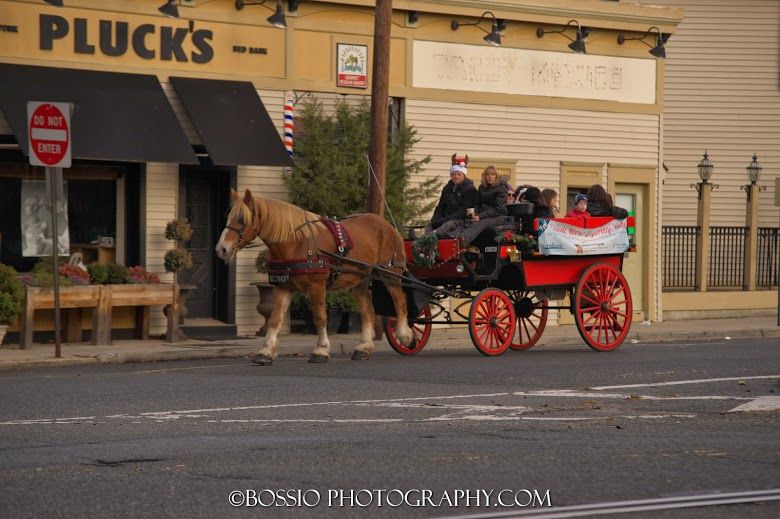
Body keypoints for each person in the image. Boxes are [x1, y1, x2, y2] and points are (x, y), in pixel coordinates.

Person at [427, 154, 478, 237]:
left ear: (464, 175)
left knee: (446, 226)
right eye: (454, 174)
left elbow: (464, 211)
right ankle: (423, 242)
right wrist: (435, 219)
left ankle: (430, 238)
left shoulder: (470, 189)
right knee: (430, 226)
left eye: (459, 174)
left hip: (460, 220)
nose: (456, 177)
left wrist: (445, 220)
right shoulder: (447, 188)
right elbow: (440, 206)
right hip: (446, 218)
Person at [460, 165, 508, 245]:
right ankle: (456, 238)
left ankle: (462, 241)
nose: (490, 177)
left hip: (499, 216)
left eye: (492, 175)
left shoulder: (501, 188)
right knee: (467, 220)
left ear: (496, 176)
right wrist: (474, 213)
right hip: (483, 215)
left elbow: (499, 209)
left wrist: (480, 216)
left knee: (482, 223)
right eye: (487, 175)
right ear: (484, 176)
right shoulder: (482, 187)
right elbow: (477, 203)